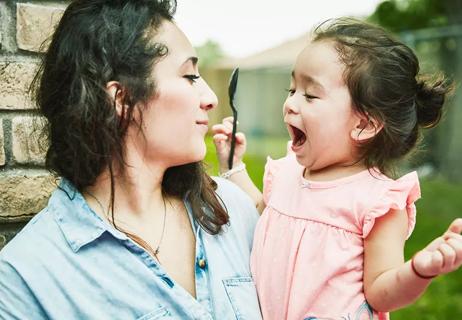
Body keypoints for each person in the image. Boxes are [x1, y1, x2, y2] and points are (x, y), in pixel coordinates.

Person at [0, 1, 262, 319]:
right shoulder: (24, 281)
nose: (211, 98)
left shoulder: (231, 210)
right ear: (121, 100)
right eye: (190, 76)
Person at [213, 18, 462, 320]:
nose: (290, 103)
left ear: (363, 125)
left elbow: (381, 291)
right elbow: (261, 213)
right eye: (291, 89)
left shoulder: (377, 202)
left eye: (310, 95)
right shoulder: (288, 173)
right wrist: (234, 166)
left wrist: (419, 270)